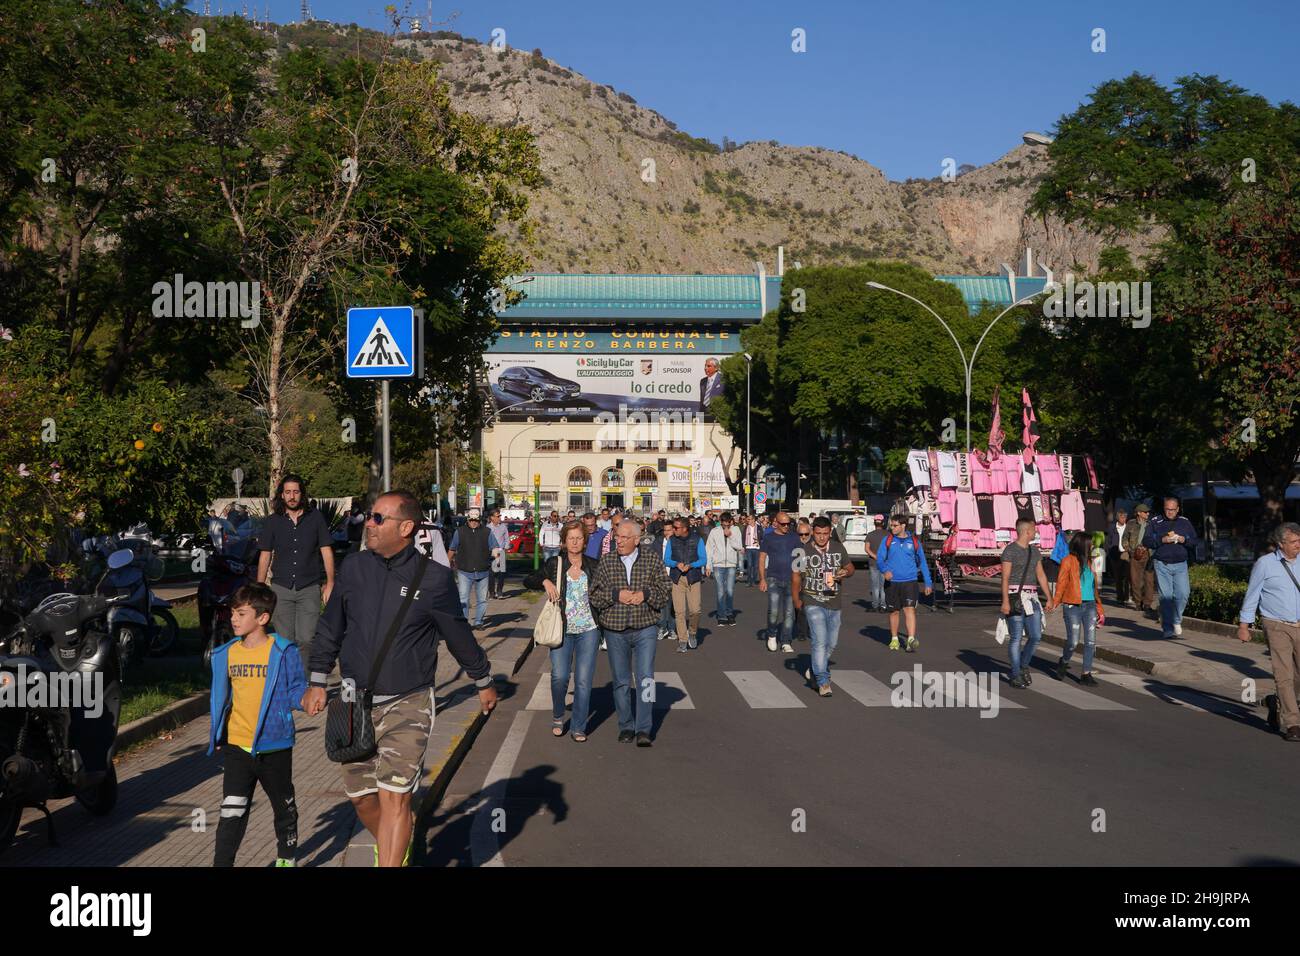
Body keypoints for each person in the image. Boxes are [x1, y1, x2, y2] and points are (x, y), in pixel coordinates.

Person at [303, 490, 497, 867]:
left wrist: (482, 678)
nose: (368, 524)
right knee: (361, 797)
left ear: (406, 527)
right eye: (370, 517)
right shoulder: (355, 568)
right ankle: (396, 844)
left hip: (407, 701)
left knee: (396, 796)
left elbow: (458, 634)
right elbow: (330, 628)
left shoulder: (435, 579)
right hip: (352, 701)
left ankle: (391, 858)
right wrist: (316, 679)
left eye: (378, 518)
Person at [208, 583, 307, 867]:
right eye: (232, 613)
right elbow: (221, 698)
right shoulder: (227, 653)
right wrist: (217, 732)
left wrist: (307, 699)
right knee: (231, 813)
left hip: (275, 744)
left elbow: (295, 689)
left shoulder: (283, 651)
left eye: (241, 613)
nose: (233, 619)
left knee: (284, 808)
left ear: (262, 618)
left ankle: (286, 860)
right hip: (237, 746)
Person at [589, 518, 671, 746]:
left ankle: (644, 728)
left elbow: (665, 588)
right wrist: (616, 595)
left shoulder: (651, 558)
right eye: (617, 536)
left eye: (624, 537)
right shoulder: (606, 562)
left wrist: (646, 594)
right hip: (615, 629)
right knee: (621, 680)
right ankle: (626, 725)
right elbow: (594, 596)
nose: (619, 541)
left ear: (637, 539)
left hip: (645, 626)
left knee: (646, 678)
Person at [256, 473, 335, 671]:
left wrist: (331, 582)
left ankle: (305, 686)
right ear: (282, 495)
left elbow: (326, 550)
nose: (292, 496)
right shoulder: (272, 521)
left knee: (307, 639)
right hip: (281, 587)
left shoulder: (315, 518)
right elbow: (265, 555)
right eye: (288, 492)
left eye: (296, 492)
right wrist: (259, 587)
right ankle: (288, 682)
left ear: (302, 494)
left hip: (309, 587)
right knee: (285, 641)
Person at [539, 520, 601, 742]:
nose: (575, 542)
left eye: (579, 538)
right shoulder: (555, 564)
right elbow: (530, 580)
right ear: (564, 542)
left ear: (584, 541)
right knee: (560, 676)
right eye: (571, 538)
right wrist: (545, 580)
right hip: (562, 629)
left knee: (584, 680)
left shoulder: (594, 565)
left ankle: (578, 726)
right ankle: (558, 715)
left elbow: (604, 592)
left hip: (589, 629)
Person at [1238, 523, 1300, 740]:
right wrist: (1244, 625)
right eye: (1293, 542)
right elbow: (1252, 594)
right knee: (1283, 674)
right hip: (1275, 624)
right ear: (1281, 544)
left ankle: (1276, 702)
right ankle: (1293, 723)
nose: (1298, 545)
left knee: (1297, 676)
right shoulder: (1265, 564)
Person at [793, 516, 855, 697]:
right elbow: (796, 577)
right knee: (819, 641)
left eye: (825, 534)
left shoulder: (837, 547)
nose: (821, 537)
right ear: (813, 532)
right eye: (818, 533)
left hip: (834, 601)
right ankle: (823, 680)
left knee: (831, 643)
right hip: (812, 600)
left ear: (830, 532)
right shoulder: (801, 551)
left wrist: (846, 571)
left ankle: (814, 669)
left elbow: (850, 567)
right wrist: (796, 600)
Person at [1047, 531, 1106, 686]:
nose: (1093, 546)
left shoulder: (1091, 562)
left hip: (1090, 606)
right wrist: (1055, 602)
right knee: (1073, 642)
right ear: (1082, 545)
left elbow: (1094, 589)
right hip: (1072, 606)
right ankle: (1064, 661)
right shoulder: (1068, 561)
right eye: (1090, 543)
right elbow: (1061, 584)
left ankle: (1086, 674)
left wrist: (1100, 609)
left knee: (1090, 642)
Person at [1000, 518, 1051, 688]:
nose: (1036, 532)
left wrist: (1049, 597)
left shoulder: (1034, 551)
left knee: (1035, 636)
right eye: (1034, 530)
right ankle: (1015, 674)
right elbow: (1005, 577)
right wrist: (1005, 601)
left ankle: (1023, 665)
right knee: (1016, 638)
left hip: (1032, 597)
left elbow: (1041, 575)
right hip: (1015, 597)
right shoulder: (1010, 551)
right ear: (1027, 531)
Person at [1143, 496, 1199, 638]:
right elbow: (1147, 540)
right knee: (1166, 597)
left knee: (1183, 594)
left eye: (1173, 510)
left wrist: (1183, 539)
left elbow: (1194, 541)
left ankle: (1176, 620)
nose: (1170, 512)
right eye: (1168, 509)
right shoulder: (1155, 522)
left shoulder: (1184, 522)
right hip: (1162, 564)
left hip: (1181, 564)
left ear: (1178, 509)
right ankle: (1167, 628)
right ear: (1164, 508)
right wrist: (1161, 540)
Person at [879, 515, 933, 652]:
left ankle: (910, 639)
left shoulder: (914, 542)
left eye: (895, 525)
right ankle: (895, 639)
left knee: (909, 610)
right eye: (891, 525)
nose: (892, 528)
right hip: (892, 582)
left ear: (903, 526)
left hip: (910, 582)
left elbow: (923, 563)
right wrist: (885, 570)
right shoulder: (888, 540)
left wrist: (928, 582)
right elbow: (880, 559)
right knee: (894, 611)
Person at [759, 511, 801, 653]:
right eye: (783, 524)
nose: (786, 526)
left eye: (788, 524)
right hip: (773, 578)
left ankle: (786, 641)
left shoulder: (794, 538)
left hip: (791, 579)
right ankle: (771, 635)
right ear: (776, 523)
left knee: (789, 612)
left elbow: (800, 559)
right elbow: (762, 558)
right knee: (774, 610)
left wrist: (800, 580)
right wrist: (762, 579)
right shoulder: (769, 538)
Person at [663, 515, 707, 652]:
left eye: (676, 528)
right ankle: (682, 640)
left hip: (693, 578)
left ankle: (692, 633)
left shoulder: (697, 540)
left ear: (685, 528)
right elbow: (666, 559)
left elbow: (703, 559)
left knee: (695, 610)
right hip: (677, 578)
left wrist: (691, 565)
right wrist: (676, 563)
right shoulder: (672, 541)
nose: (673, 530)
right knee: (679, 612)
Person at [448, 508, 492, 629]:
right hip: (464, 570)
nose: (474, 522)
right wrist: (447, 563)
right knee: (463, 599)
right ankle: (464, 622)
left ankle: (478, 622)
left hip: (483, 570)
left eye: (476, 520)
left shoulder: (487, 532)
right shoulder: (460, 532)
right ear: (468, 519)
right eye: (472, 520)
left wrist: (495, 555)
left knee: (482, 599)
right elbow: (452, 549)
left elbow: (495, 547)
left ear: (480, 520)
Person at [706, 511, 745, 626]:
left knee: (730, 590)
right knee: (720, 591)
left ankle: (729, 613)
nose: (726, 525)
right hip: (718, 564)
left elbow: (739, 546)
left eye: (728, 523)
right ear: (720, 522)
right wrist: (708, 565)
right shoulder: (714, 531)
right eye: (724, 523)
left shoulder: (736, 530)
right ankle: (721, 615)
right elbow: (709, 549)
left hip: (731, 564)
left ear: (731, 522)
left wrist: (730, 535)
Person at [1123, 503, 1155, 611]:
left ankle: (1147, 604)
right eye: (1145, 512)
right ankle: (1138, 602)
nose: (1148, 513)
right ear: (1139, 513)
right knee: (1135, 580)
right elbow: (1124, 539)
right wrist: (1131, 551)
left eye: (1148, 512)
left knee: (1149, 580)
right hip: (1135, 554)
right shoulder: (1131, 524)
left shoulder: (1151, 524)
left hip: (1148, 554)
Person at [863, 515, 888, 612]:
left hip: (873, 563)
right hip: (885, 563)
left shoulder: (870, 535)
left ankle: (875, 605)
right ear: (883, 523)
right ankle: (883, 605)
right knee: (883, 586)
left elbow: (866, 549)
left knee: (875, 585)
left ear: (874, 523)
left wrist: (875, 556)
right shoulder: (888, 535)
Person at [1108, 509, 1131, 605]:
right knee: (1118, 577)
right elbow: (1108, 541)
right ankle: (1120, 597)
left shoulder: (1129, 527)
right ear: (1118, 517)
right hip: (1115, 553)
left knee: (1127, 576)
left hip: (1126, 553)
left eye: (1125, 517)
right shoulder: (1112, 528)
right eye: (1122, 517)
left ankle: (1126, 596)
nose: (1124, 519)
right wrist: (1110, 551)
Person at [487, 509, 511, 599]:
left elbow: (507, 539)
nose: (499, 517)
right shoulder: (488, 528)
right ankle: (492, 593)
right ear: (492, 517)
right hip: (492, 552)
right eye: (497, 516)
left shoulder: (503, 527)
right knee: (492, 574)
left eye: (500, 516)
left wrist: (505, 547)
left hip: (501, 551)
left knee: (501, 573)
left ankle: (500, 591)